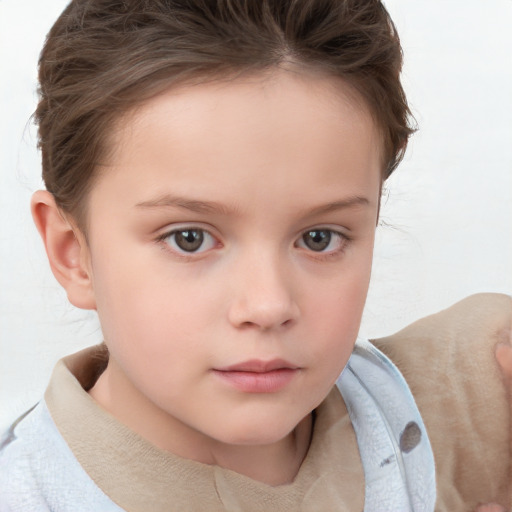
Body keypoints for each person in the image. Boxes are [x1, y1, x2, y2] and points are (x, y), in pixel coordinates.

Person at [0, 1, 510, 510]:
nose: (267, 306)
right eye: (189, 239)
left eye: (319, 238)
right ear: (72, 253)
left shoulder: (478, 395)